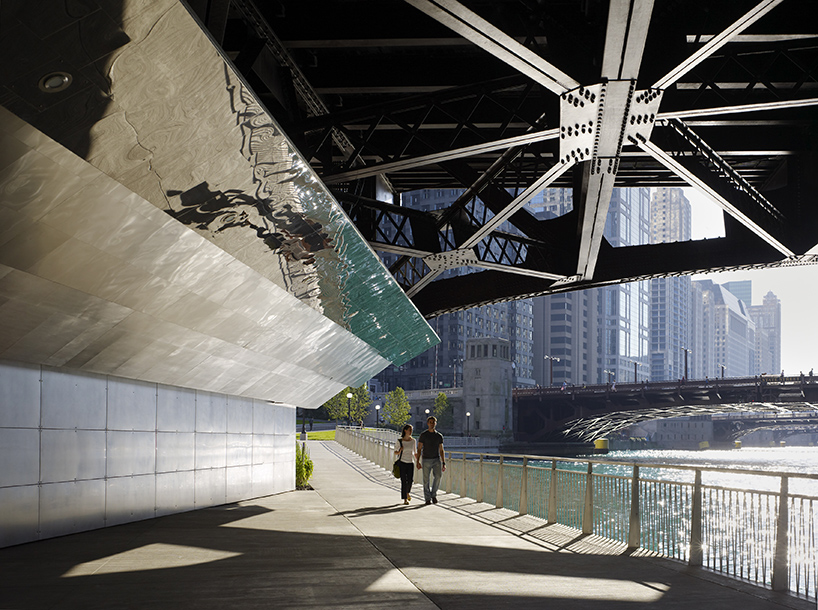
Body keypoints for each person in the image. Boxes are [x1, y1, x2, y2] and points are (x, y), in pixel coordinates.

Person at [416, 416, 446, 505]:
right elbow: (419, 449)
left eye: (433, 422)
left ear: (435, 424)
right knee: (426, 480)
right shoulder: (423, 435)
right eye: (430, 422)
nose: (432, 424)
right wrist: (418, 461)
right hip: (426, 459)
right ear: (427, 423)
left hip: (436, 459)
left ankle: (433, 494)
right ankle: (427, 498)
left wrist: (443, 462)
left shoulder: (439, 436)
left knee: (438, 476)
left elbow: (441, 449)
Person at [394, 424, 417, 505]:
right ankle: (405, 499)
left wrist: (418, 461)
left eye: (411, 430)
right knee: (404, 481)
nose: (411, 432)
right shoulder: (400, 441)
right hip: (402, 463)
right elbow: (395, 452)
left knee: (410, 480)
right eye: (409, 430)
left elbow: (414, 452)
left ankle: (407, 492)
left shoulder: (413, 441)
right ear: (405, 431)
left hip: (410, 462)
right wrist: (400, 450)